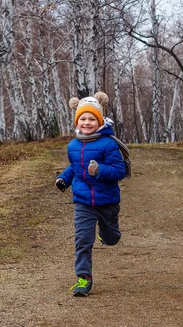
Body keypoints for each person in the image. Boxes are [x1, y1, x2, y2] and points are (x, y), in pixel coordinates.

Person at [55, 92, 127, 297]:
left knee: (112, 239)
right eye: (83, 119)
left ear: (100, 120)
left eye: (92, 118)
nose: (87, 122)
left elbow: (119, 171)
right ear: (77, 121)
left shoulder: (108, 144)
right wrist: (63, 179)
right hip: (83, 201)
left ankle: (106, 233)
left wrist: (100, 171)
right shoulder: (73, 145)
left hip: (108, 201)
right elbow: (74, 167)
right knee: (82, 240)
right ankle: (83, 278)